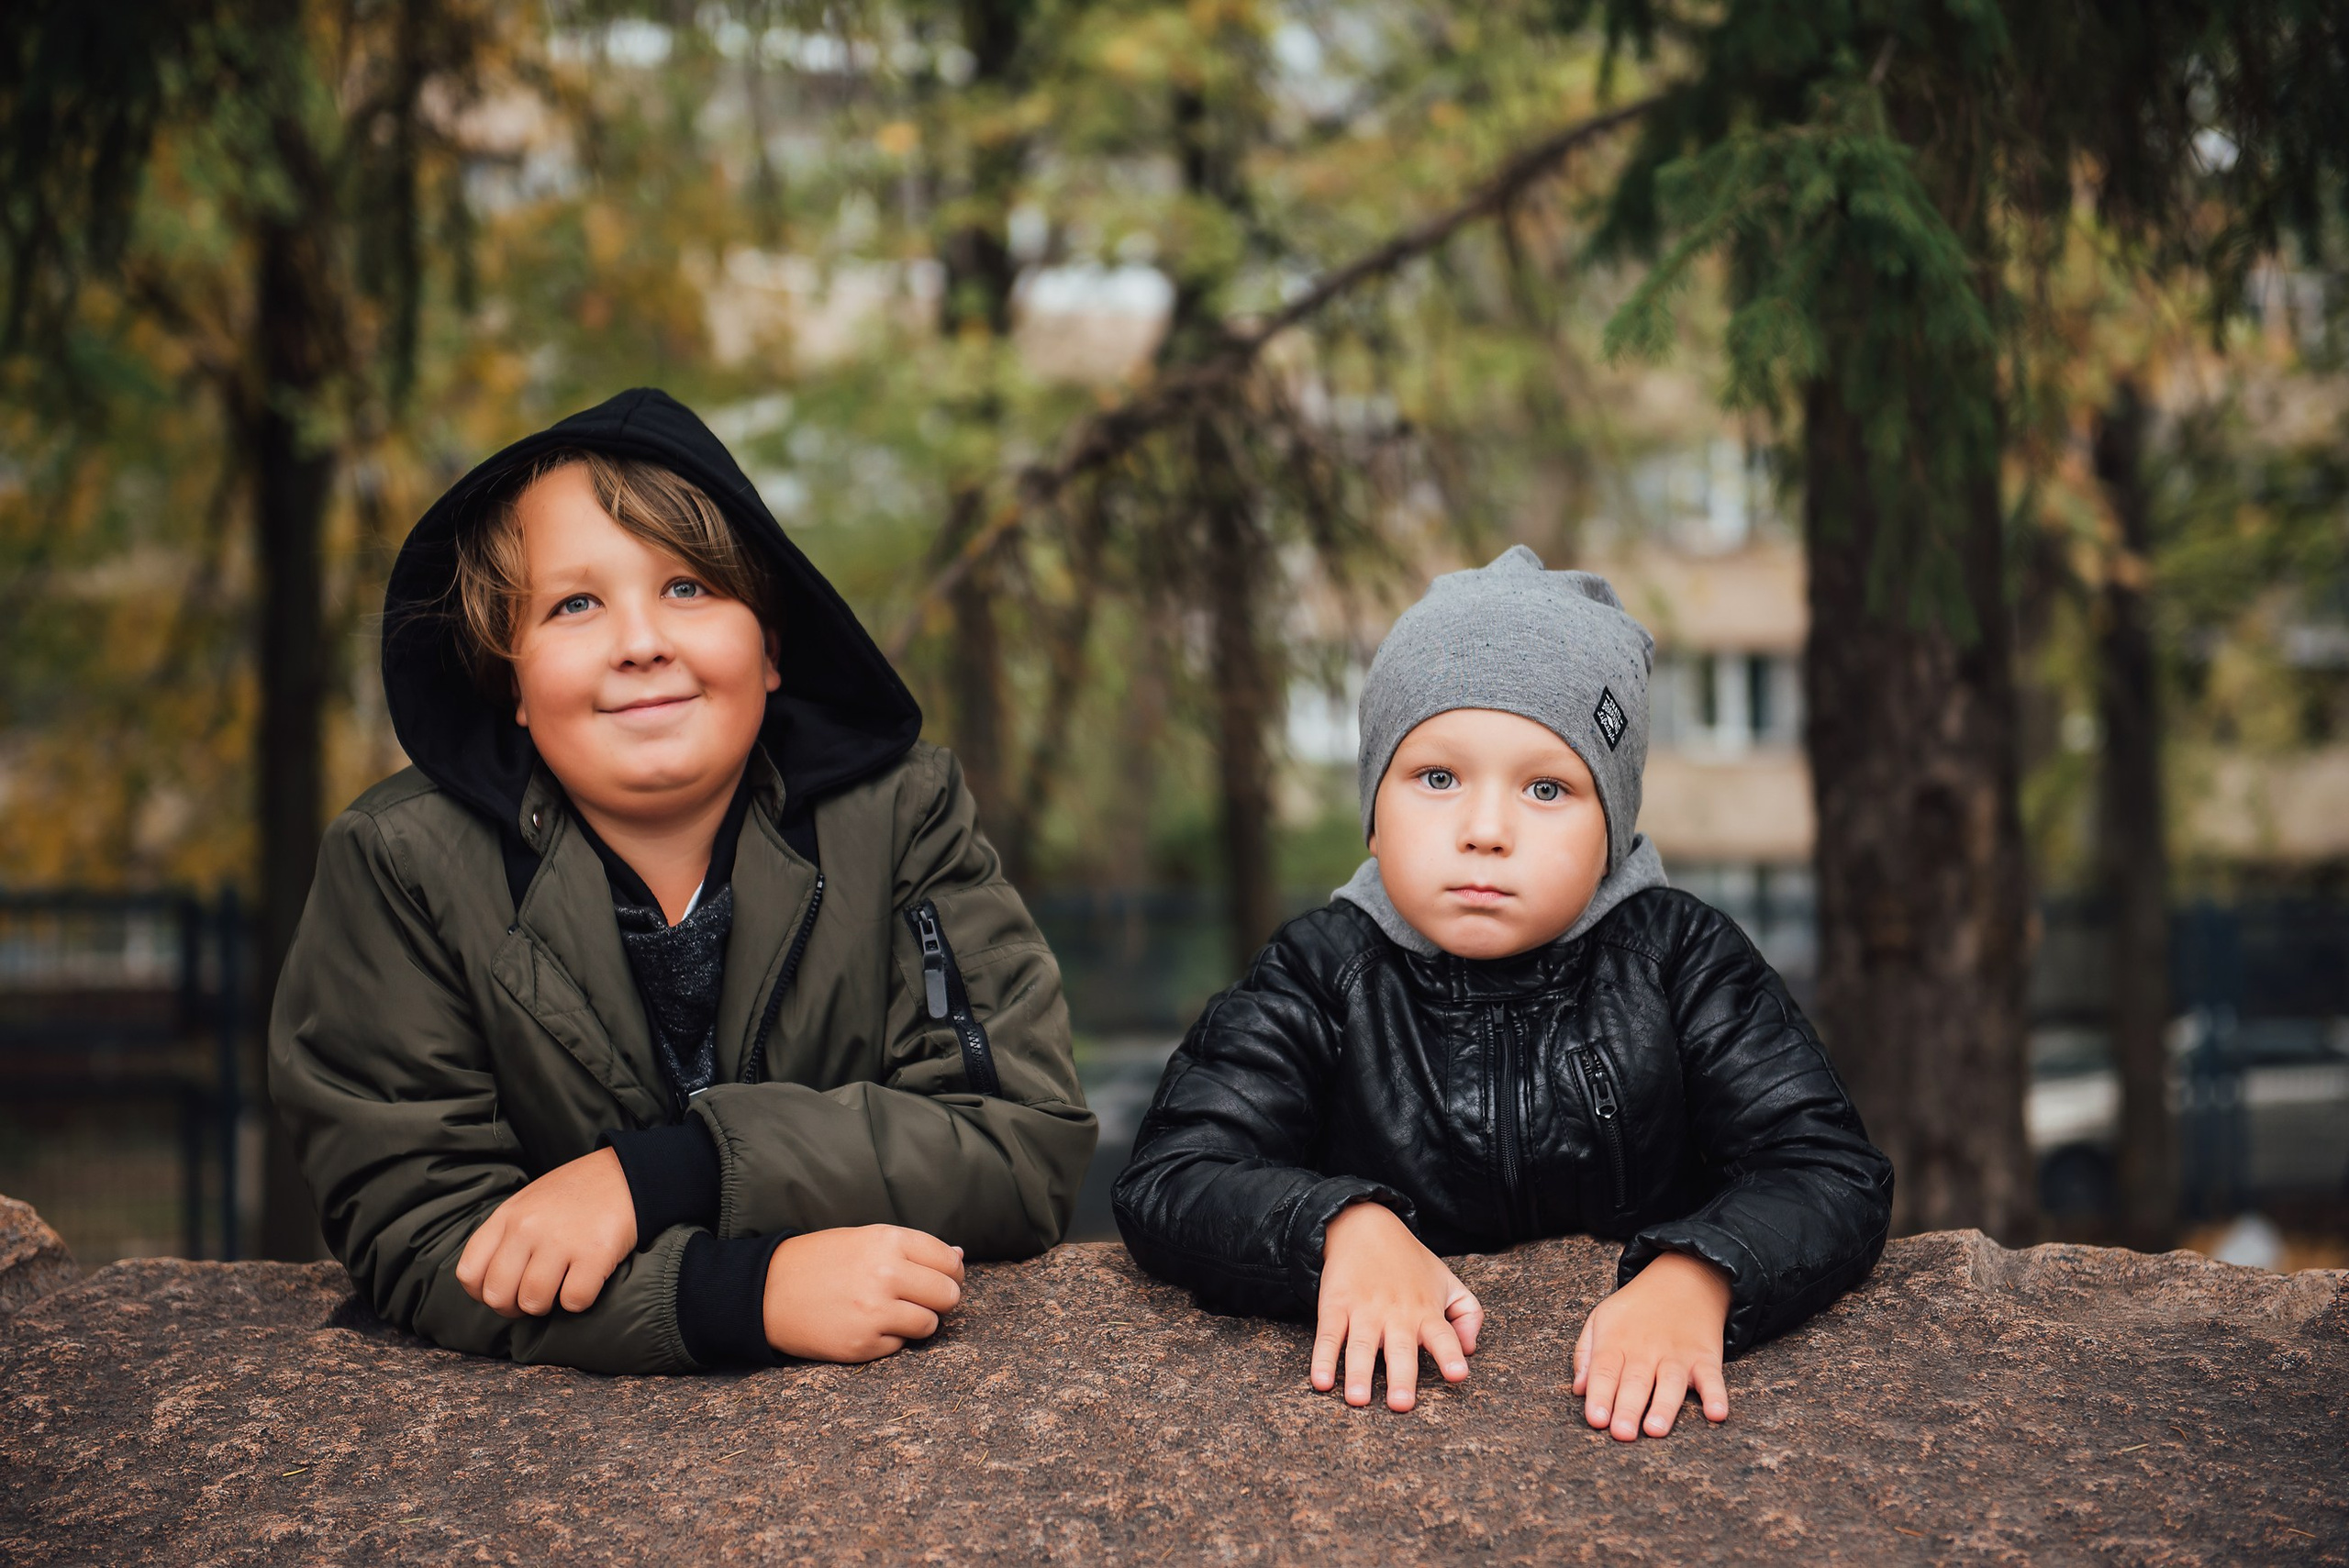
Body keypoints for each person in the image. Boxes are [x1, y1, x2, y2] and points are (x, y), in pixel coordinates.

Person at [271, 387, 1095, 1373]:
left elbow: (1017, 1142)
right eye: (575, 604)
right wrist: (735, 1294)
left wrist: (669, 1174)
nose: (641, 641)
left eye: (690, 588)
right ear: (511, 683)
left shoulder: (899, 816)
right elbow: (425, 1232)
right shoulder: (402, 865)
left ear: (771, 645)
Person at [1113, 545, 1892, 1438]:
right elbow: (1175, 1172)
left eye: (1546, 787)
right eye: (1436, 777)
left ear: (1614, 825)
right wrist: (1339, 1227)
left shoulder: (1678, 957)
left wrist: (1701, 1272)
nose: (1485, 829)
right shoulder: (1323, 969)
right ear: (1374, 809)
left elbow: (1826, 1167)